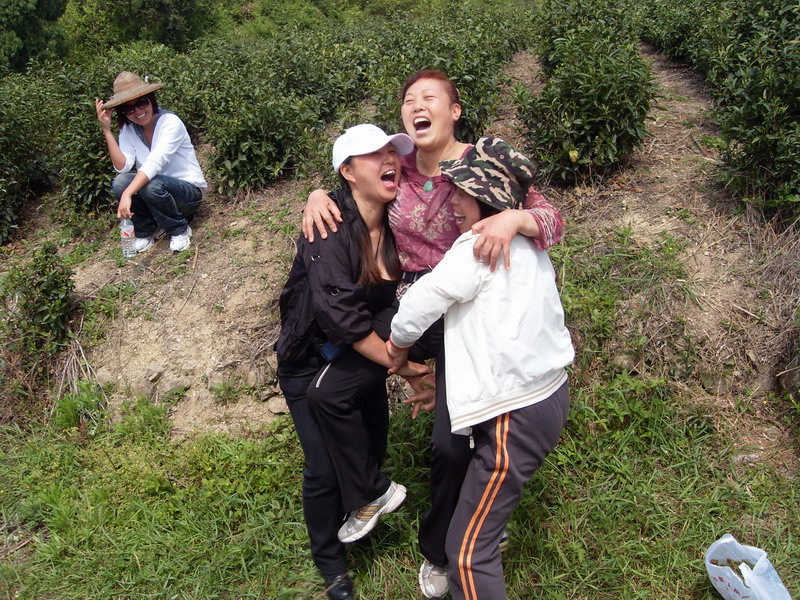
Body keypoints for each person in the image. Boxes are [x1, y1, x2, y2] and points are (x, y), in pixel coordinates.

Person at [302, 70, 564, 599]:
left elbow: (552, 219)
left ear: (455, 110)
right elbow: (352, 182)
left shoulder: (483, 166)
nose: (417, 107)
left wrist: (514, 220)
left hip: (475, 312)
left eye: (430, 98)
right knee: (352, 396)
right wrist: (314, 194)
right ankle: (374, 493)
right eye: (408, 100)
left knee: (453, 442)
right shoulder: (396, 168)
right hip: (416, 306)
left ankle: (453, 542)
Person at [387, 137, 574, 600]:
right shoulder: (530, 244)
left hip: (517, 412)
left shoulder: (477, 245)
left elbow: (421, 303)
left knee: (468, 553)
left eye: (462, 194)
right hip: (546, 397)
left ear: (482, 199)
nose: (455, 203)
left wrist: (397, 349)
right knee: (476, 523)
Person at [275, 124, 432, 600]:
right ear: (347, 171)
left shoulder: (398, 222)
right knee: (322, 467)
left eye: (392, 151)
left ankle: (362, 506)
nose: (390, 159)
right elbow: (339, 314)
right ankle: (331, 563)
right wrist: (401, 366)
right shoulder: (326, 226)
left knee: (370, 445)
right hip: (308, 362)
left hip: (355, 357)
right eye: (374, 154)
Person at [96, 71, 206, 254]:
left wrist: (128, 195)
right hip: (155, 195)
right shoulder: (128, 130)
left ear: (151, 99)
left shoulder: (170, 122)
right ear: (123, 112)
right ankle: (147, 231)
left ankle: (179, 229)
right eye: (129, 109)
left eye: (141, 103)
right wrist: (107, 130)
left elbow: (155, 163)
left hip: (186, 195)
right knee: (120, 182)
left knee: (148, 184)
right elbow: (122, 166)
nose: (138, 112)